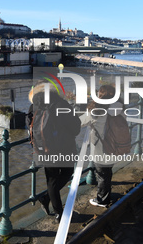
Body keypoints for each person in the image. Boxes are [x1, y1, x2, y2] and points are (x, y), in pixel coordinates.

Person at [26, 83, 81, 223]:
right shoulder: (61, 104)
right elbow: (75, 128)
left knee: (52, 180)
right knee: (67, 174)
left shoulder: (34, 106)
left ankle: (56, 210)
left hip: (44, 150)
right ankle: (52, 206)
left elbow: (29, 125)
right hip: (65, 148)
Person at [80, 85, 125, 208]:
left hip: (100, 148)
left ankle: (103, 200)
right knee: (107, 171)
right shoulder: (120, 107)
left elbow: (80, 122)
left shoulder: (96, 110)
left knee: (102, 174)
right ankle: (105, 193)